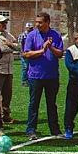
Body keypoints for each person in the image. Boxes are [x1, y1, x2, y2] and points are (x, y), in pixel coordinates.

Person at [22, 12, 64, 140]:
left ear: (47, 22)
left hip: (52, 76)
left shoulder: (55, 35)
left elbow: (60, 54)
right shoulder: (31, 35)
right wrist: (42, 50)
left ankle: (55, 130)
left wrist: (50, 47)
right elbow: (26, 54)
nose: (37, 24)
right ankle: (31, 130)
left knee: (52, 104)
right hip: (35, 76)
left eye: (40, 22)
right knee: (34, 104)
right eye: (36, 22)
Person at [18, 22, 34, 87]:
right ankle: (24, 81)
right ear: (26, 28)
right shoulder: (22, 35)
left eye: (31, 28)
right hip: (24, 53)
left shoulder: (33, 35)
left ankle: (30, 80)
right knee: (25, 67)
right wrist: (22, 53)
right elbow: (20, 45)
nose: (31, 29)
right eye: (29, 28)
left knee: (30, 67)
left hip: (31, 53)